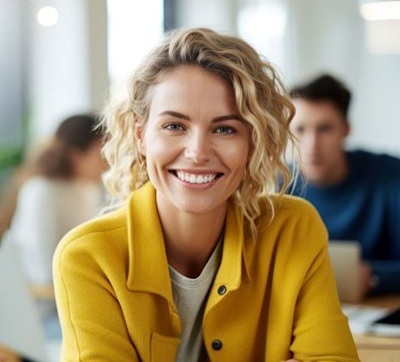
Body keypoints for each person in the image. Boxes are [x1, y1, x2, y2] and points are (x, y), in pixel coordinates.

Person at [53, 29, 359, 362]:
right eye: (174, 126)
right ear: (141, 136)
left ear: (251, 142)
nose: (198, 152)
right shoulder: (87, 257)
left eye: (224, 129)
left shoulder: (292, 229)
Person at [289, 74, 400, 297]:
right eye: (300, 130)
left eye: (325, 129)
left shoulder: (389, 176)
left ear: (346, 129)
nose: (312, 145)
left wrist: (374, 277)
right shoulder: (274, 186)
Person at [10, 113, 107, 288]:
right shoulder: (41, 191)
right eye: (101, 151)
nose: (107, 160)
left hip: (75, 288)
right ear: (75, 155)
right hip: (41, 300)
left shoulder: (88, 189)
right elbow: (44, 270)